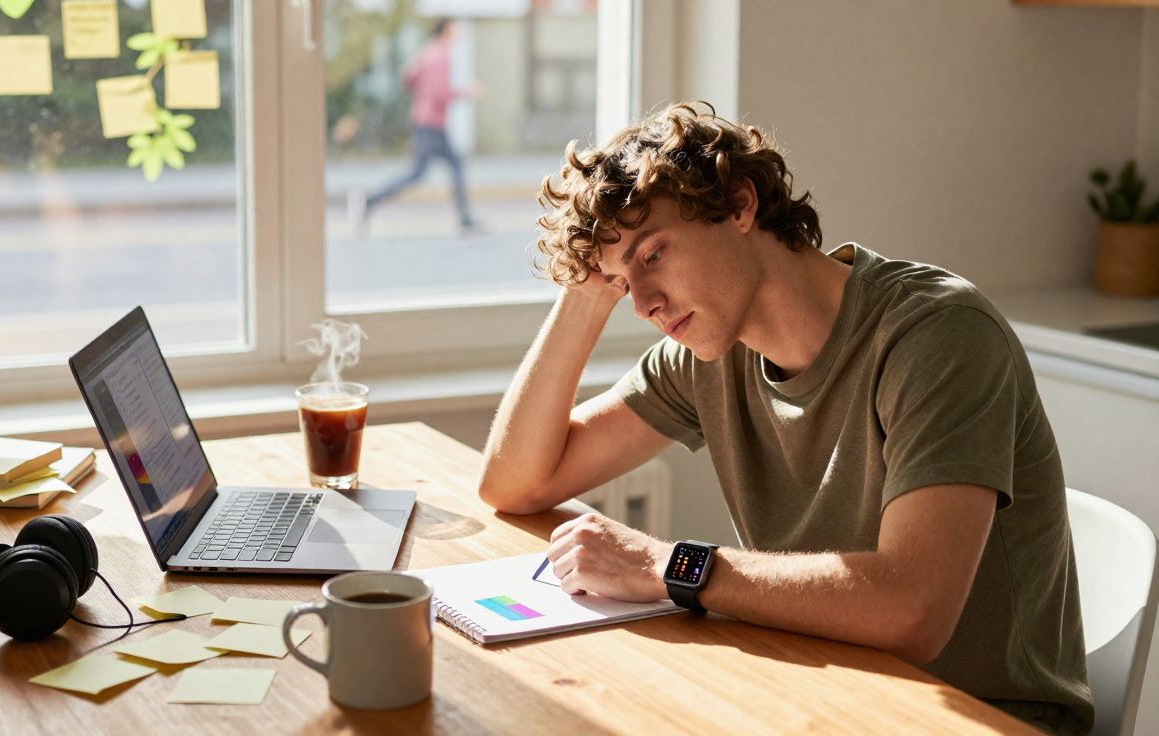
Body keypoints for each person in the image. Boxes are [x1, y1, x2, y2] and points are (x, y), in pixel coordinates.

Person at [478, 101, 1093, 734]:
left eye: (654, 254)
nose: (643, 304)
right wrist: (588, 286)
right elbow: (515, 482)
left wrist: (667, 566)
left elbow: (913, 610)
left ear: (740, 205)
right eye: (619, 281)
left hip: (978, 718)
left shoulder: (935, 335)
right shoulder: (707, 352)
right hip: (819, 696)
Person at [356, 18, 481, 235]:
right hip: (432, 124)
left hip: (424, 121)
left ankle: (465, 219)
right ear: (447, 30)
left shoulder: (427, 51)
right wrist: (466, 92)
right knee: (419, 173)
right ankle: (371, 200)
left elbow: (407, 77)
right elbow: (441, 94)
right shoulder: (441, 56)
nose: (458, 34)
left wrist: (420, 97)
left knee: (451, 166)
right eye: (455, 29)